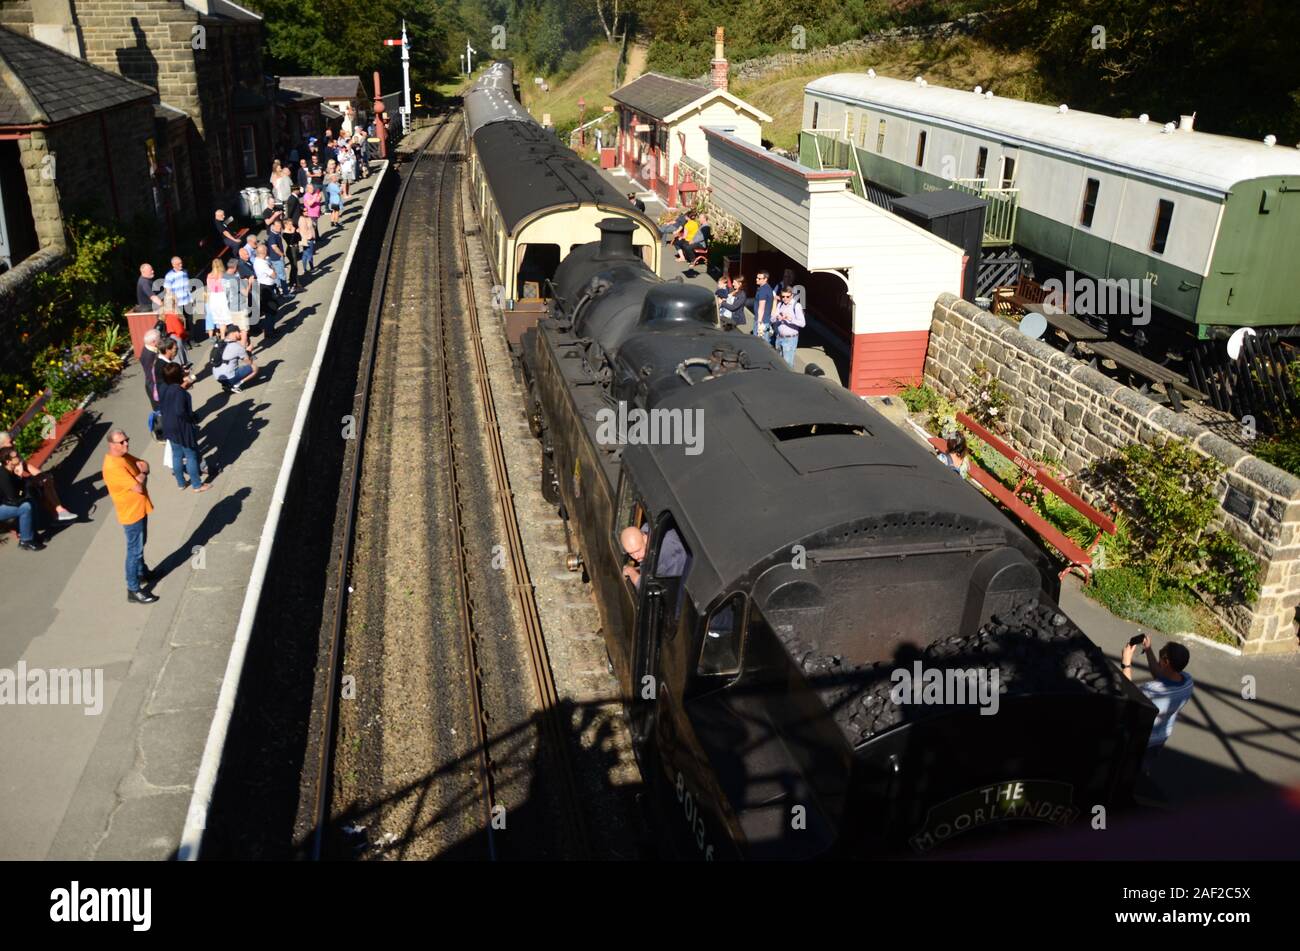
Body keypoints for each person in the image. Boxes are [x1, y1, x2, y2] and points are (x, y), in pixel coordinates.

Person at [1122, 634, 1194, 773]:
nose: (1159, 654)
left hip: (1141, 738)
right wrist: (1148, 650)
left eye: (1161, 654)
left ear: (1166, 662)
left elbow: (1130, 696)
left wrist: (1126, 664)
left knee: (1127, 769)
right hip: (1160, 737)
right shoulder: (1188, 681)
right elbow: (1161, 674)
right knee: (1142, 769)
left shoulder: (1152, 690)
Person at [102, 430, 158, 603]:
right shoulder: (113, 466)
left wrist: (142, 472)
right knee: (134, 551)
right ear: (112, 445)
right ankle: (133, 589)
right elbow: (139, 486)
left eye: (127, 440)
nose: (126, 444)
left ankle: (142, 573)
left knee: (141, 544)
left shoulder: (123, 456)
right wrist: (143, 474)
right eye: (122, 442)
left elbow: (143, 463)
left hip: (139, 508)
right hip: (131, 513)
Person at [158, 362, 210, 494]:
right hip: (182, 426)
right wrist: (191, 418)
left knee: (177, 455)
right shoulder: (179, 392)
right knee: (191, 455)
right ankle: (197, 485)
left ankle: (181, 483)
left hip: (168, 424)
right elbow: (180, 411)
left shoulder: (164, 388)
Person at [0, 447, 45, 550]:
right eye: (16, 457)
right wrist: (20, 477)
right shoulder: (3, 475)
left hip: (5, 503)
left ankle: (33, 535)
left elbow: (21, 487)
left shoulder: (10, 470)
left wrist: (21, 477)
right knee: (26, 507)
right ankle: (25, 540)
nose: (19, 457)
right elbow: (13, 498)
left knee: (31, 502)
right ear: (8, 461)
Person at [214, 323, 259, 393]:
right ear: (235, 333)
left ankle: (226, 384)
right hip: (229, 376)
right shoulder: (237, 346)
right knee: (254, 368)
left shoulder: (220, 343)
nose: (241, 334)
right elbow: (249, 363)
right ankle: (235, 385)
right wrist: (249, 352)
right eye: (240, 332)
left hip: (217, 376)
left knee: (228, 365)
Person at [771, 286, 806, 367]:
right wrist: (777, 317)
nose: (785, 298)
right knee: (778, 363)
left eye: (787, 296)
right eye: (783, 296)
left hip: (790, 339)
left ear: (792, 296)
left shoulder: (796, 306)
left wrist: (790, 319)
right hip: (779, 337)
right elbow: (772, 319)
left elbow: (803, 323)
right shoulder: (780, 304)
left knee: (787, 365)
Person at [140, 328, 163, 435]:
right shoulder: (150, 356)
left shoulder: (147, 349)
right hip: (154, 387)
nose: (161, 340)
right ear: (154, 342)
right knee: (160, 412)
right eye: (160, 339)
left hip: (151, 386)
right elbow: (153, 374)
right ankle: (161, 433)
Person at [204, 258, 230, 341]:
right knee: (225, 318)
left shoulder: (209, 275)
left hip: (213, 297)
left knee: (218, 318)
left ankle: (220, 336)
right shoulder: (223, 275)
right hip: (222, 296)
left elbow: (209, 288)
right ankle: (224, 336)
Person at [751, 270, 775, 343]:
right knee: (765, 342)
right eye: (757, 277)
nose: (757, 279)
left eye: (759, 278)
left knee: (759, 343)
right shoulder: (768, 288)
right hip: (766, 320)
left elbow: (761, 307)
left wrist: (759, 322)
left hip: (762, 321)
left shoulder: (763, 290)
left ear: (765, 279)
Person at [266, 219, 288, 294]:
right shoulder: (272, 236)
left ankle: (279, 289)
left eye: (280, 226)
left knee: (278, 275)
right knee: (282, 276)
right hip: (277, 258)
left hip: (276, 258)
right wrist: (282, 254)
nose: (280, 228)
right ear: (273, 226)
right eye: (278, 226)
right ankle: (285, 293)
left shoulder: (276, 233)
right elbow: (274, 247)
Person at [282, 217, 302, 292]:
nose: (292, 225)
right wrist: (294, 232)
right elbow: (290, 242)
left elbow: (299, 239)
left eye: (292, 224)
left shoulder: (293, 230)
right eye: (290, 224)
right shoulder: (285, 233)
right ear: (286, 225)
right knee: (295, 267)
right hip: (291, 250)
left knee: (294, 267)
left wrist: (297, 232)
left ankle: (292, 282)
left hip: (296, 248)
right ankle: (296, 284)